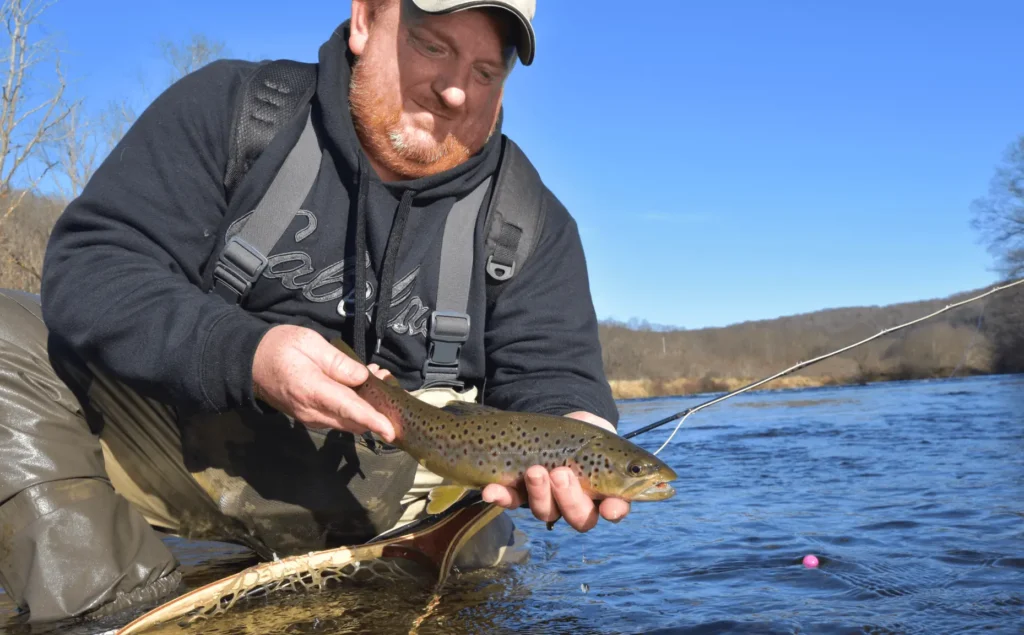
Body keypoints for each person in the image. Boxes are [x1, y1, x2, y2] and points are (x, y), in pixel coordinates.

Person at [0, 0, 626, 624]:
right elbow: (94, 265)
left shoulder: (527, 221)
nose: (457, 90)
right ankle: (118, 613)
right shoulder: (238, 113)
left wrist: (577, 429)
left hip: (418, 507)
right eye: (433, 46)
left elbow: (554, 375)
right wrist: (244, 354)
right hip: (193, 453)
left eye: (486, 72)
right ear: (364, 21)